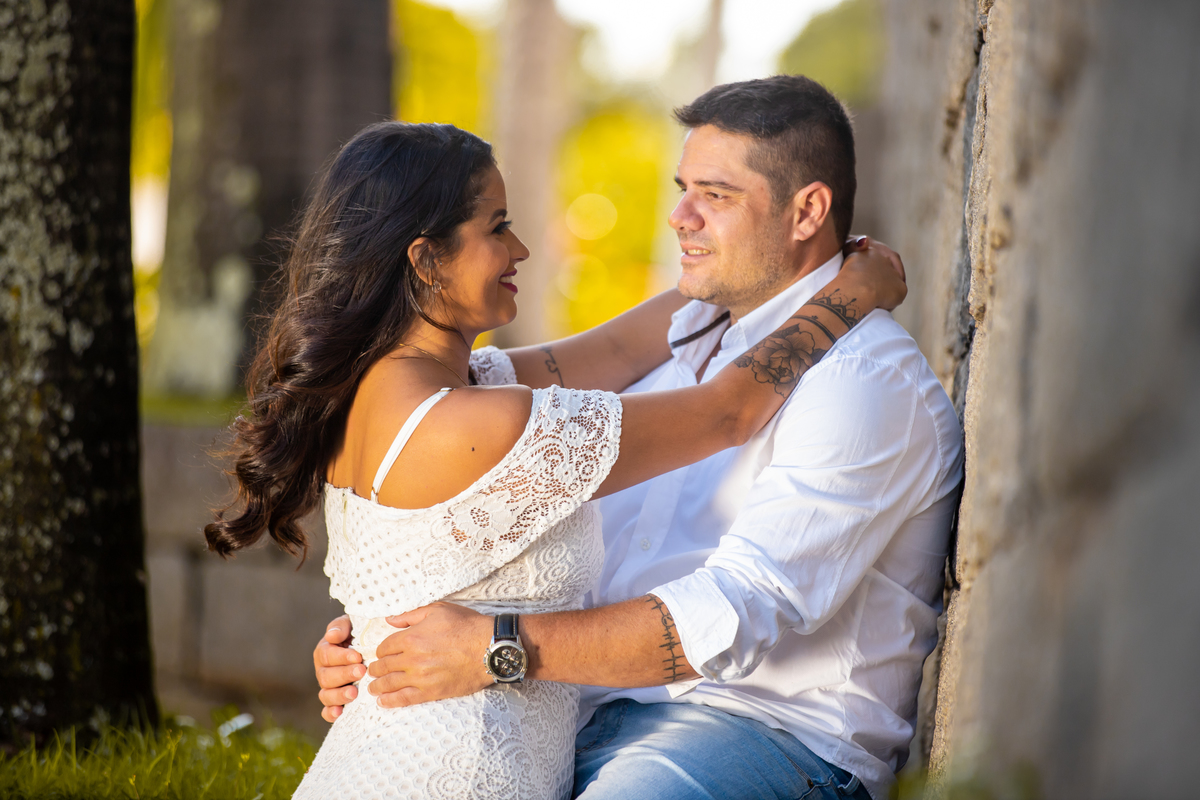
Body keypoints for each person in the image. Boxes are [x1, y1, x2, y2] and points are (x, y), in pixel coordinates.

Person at [206, 117, 906, 800]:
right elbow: (728, 411)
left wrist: (743, 261)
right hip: (459, 773)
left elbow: (626, 347)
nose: (521, 249)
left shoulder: (422, 390)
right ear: (425, 258)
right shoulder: (480, 421)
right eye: (496, 226)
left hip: (384, 758)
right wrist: (847, 296)